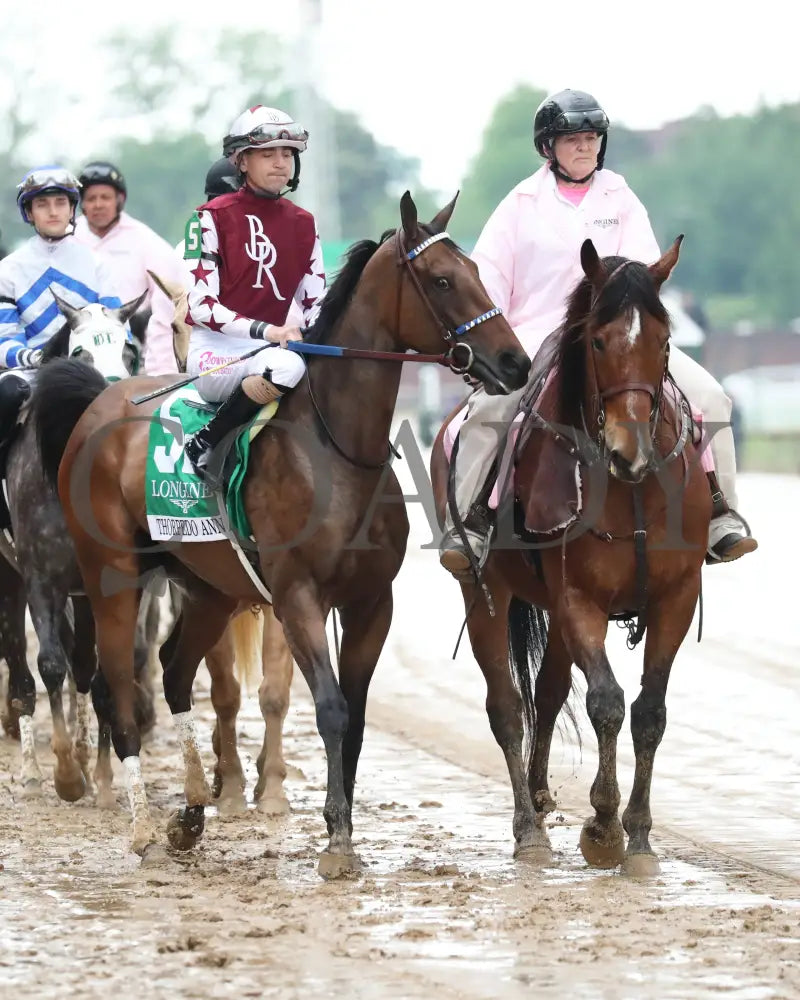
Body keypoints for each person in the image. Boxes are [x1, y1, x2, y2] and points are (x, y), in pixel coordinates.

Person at [439, 89, 758, 575]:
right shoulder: (518, 205)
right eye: (573, 140)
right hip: (538, 332)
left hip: (618, 333)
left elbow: (647, 274)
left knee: (713, 398)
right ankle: (472, 521)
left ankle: (721, 514)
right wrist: (489, 354)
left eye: (591, 138)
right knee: (490, 409)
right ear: (549, 147)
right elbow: (489, 284)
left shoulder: (621, 196)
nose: (584, 148)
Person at [182, 105, 326, 490]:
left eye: (287, 154)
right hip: (217, 353)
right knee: (286, 368)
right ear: (242, 161)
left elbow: (317, 304)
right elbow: (200, 307)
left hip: (273, 348)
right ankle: (205, 444)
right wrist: (269, 331)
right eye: (268, 154)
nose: (281, 163)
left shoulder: (304, 223)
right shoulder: (207, 218)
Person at [0, 167, 122, 486]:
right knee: (7, 394)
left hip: (92, 372)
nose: (52, 211)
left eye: (59, 202)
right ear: (29, 212)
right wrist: (39, 361)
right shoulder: (8, 270)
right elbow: (4, 341)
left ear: (72, 208)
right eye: (42, 204)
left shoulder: (99, 266)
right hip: (31, 373)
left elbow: (115, 328)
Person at [73, 160, 186, 375]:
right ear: (81, 204)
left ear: (120, 200)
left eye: (105, 197)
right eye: (91, 198)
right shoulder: (69, 239)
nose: (98, 205)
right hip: (78, 346)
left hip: (132, 347)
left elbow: (167, 309)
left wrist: (160, 372)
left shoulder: (147, 242)